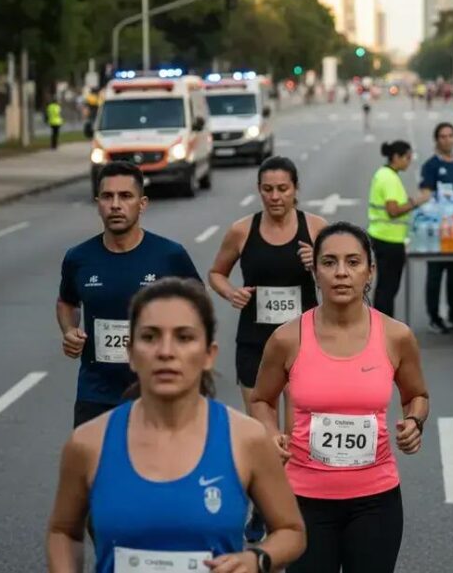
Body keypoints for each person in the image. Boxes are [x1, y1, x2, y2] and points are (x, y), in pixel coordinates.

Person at [47, 278, 307, 573]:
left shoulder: (245, 438)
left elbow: (291, 531)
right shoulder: (88, 443)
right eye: (150, 337)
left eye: (184, 337)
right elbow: (63, 533)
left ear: (209, 354)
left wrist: (256, 559)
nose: (166, 352)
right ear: (130, 353)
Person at [250, 222, 430, 573]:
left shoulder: (396, 336)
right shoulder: (288, 338)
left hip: (376, 502)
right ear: (315, 272)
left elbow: (417, 395)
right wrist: (269, 433)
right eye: (329, 263)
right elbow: (261, 400)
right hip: (303, 501)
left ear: (370, 272)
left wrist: (414, 421)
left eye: (353, 262)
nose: (342, 273)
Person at [208, 155, 326, 542]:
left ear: (296, 190)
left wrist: (317, 266)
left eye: (283, 189)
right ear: (259, 191)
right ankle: (264, 506)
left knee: (291, 435)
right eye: (268, 189)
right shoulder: (243, 231)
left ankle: (283, 512)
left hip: (301, 345)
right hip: (255, 343)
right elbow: (216, 273)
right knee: (263, 434)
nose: (275, 197)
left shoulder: (316, 229)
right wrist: (231, 293)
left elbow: (346, 279)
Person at [58, 161, 202, 428]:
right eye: (107, 196)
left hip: (156, 392)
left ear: (142, 203)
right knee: (97, 469)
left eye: (125, 196)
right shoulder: (79, 258)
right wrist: (69, 329)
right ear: (97, 202)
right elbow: (67, 302)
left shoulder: (169, 256)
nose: (115, 204)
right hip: (96, 394)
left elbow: (199, 314)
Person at [419, 122, 453, 333]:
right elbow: (425, 194)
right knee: (435, 274)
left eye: (450, 135)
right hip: (438, 229)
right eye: (442, 136)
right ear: (436, 140)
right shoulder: (431, 166)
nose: (447, 139)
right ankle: (434, 317)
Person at [368, 140, 427, 316]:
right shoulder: (389, 178)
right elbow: (393, 210)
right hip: (389, 240)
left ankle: (380, 325)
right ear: (396, 157)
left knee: (384, 287)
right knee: (388, 289)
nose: (409, 161)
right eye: (407, 158)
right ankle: (383, 328)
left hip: (382, 236)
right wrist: (415, 202)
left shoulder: (384, 174)